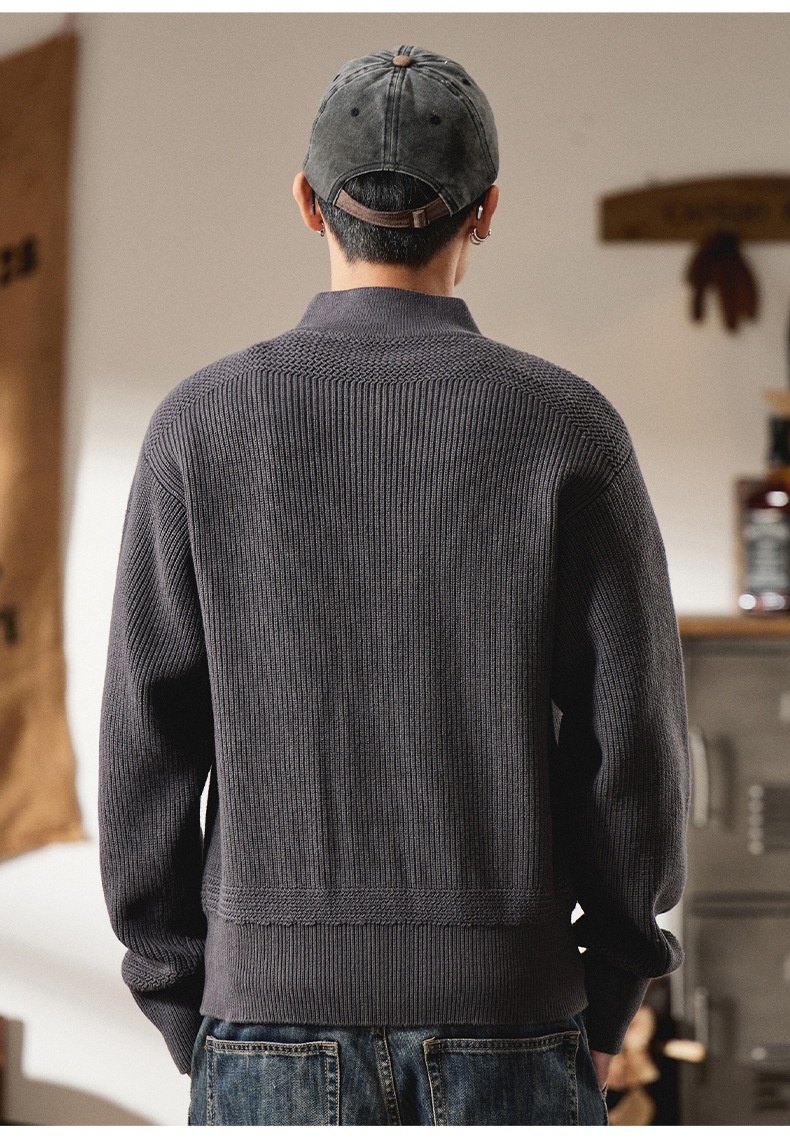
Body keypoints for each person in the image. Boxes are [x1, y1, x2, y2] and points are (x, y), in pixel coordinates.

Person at [99, 45, 689, 1127]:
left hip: (264, 1020)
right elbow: (633, 741)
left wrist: (184, 997)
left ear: (306, 202)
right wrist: (612, 988)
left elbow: (147, 739)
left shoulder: (199, 425)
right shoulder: (566, 429)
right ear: (487, 211)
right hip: (512, 1016)